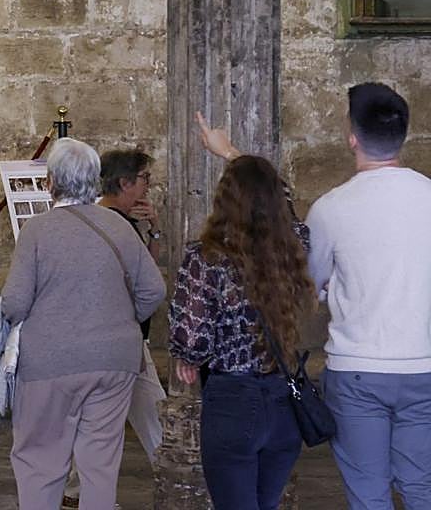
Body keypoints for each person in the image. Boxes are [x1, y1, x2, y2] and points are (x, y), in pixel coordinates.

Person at [1, 138, 165, 510]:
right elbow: (153, 289)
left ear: (50, 182)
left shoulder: (37, 231)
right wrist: (119, 321)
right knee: (100, 462)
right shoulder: (121, 227)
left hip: (50, 362)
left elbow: (15, 302)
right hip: (114, 360)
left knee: (40, 458)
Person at [305, 83, 431, 509]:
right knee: (421, 488)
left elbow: (312, 285)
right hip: (425, 365)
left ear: (351, 137)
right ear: (404, 136)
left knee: (368, 494)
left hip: (357, 368)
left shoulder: (330, 207)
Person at [168, 149, 316, 510]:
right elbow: (289, 208)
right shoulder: (294, 244)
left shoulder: (205, 257)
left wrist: (187, 357)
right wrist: (236, 155)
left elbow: (193, 338)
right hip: (283, 397)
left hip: (233, 401)